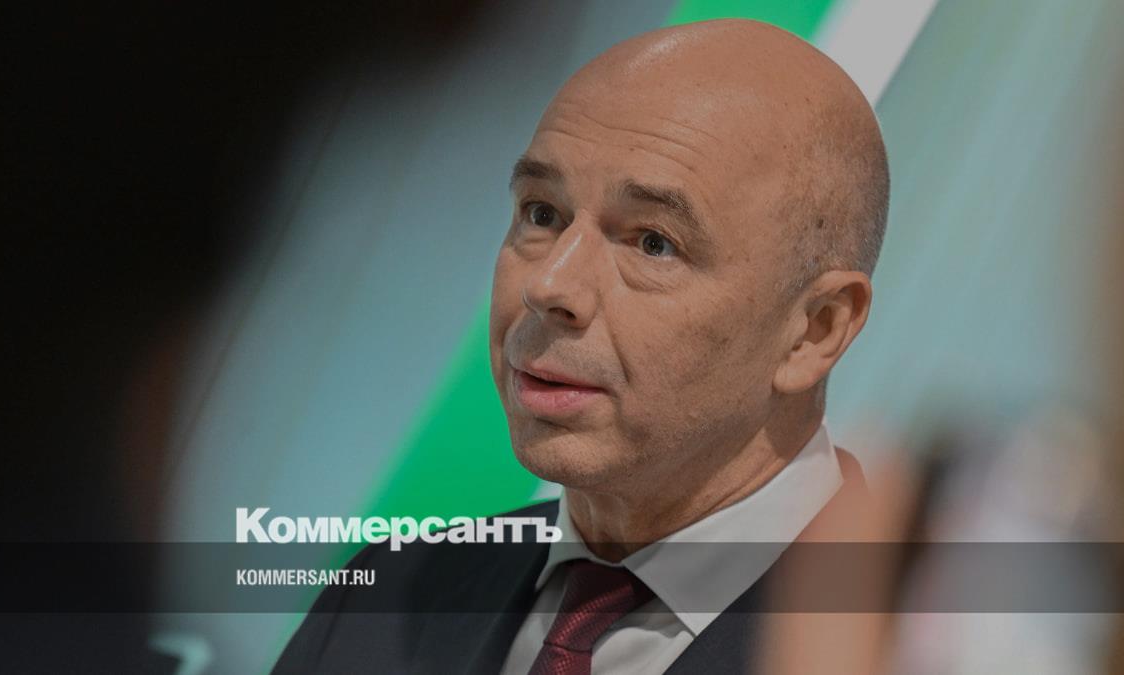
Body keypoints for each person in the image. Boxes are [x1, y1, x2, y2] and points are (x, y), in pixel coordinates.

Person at [275, 17, 888, 675]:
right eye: (542, 213)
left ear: (815, 329)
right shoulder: (390, 594)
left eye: (653, 242)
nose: (548, 284)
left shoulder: (900, 644)